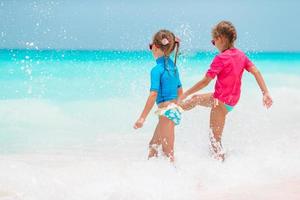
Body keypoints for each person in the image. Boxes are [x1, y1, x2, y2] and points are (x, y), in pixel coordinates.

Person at [178, 21, 273, 161]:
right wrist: (265, 93)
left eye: (213, 41)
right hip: (228, 100)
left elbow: (205, 81)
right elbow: (256, 72)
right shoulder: (241, 55)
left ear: (220, 38)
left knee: (214, 140)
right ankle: (176, 107)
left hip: (220, 103)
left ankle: (222, 169)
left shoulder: (221, 58)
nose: (213, 44)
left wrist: (186, 92)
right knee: (196, 99)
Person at [133, 29, 183, 162]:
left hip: (166, 112)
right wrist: (176, 106)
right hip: (172, 111)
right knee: (154, 146)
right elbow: (180, 91)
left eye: (151, 47)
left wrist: (142, 118)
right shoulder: (173, 66)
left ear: (155, 47)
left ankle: (179, 179)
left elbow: (153, 94)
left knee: (168, 153)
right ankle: (151, 177)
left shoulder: (156, 70)